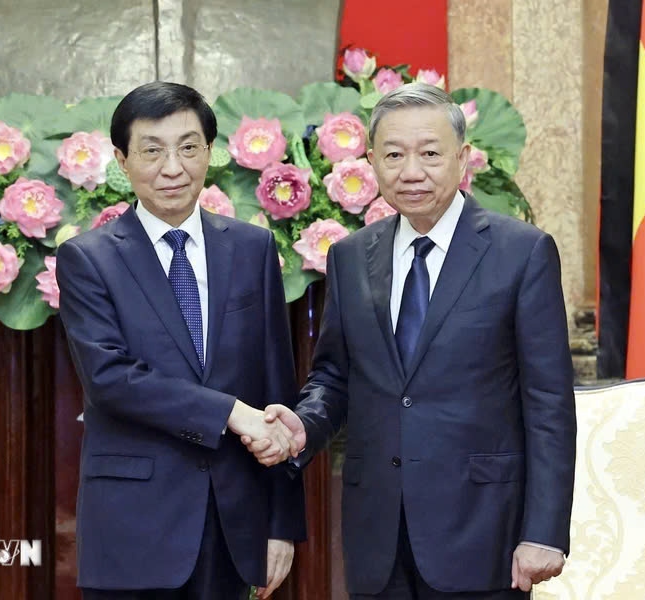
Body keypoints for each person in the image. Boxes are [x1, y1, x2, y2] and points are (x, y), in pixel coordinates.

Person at [244, 83, 576, 599]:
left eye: (430, 153)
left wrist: (544, 532)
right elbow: (335, 375)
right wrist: (304, 425)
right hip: (377, 530)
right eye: (394, 155)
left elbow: (549, 402)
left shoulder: (522, 252)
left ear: (463, 158)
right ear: (372, 160)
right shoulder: (352, 256)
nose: (412, 171)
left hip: (484, 528)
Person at [56, 81, 306, 600]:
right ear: (123, 160)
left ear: (210, 153)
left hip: (234, 524)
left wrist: (282, 522)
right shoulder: (89, 258)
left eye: (189, 147)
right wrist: (230, 411)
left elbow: (278, 387)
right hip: (133, 529)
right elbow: (111, 380)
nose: (173, 167)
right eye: (152, 150)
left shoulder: (252, 248)